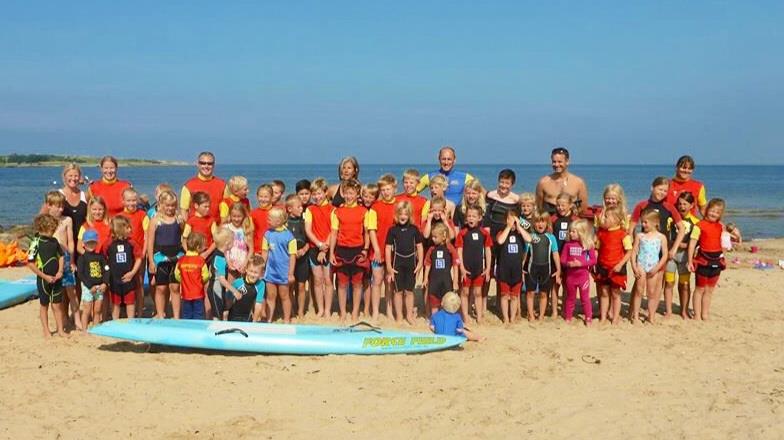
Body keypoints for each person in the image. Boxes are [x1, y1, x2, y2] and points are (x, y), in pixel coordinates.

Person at [329, 178, 372, 320]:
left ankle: (355, 312)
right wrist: (331, 253)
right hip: (341, 250)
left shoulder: (364, 211)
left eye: (352, 193)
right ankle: (342, 312)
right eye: (346, 193)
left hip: (358, 250)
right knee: (341, 283)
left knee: (357, 283)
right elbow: (334, 233)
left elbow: (366, 233)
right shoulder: (337, 212)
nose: (349, 196)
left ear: (357, 194)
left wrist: (365, 250)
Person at [44, 191, 82, 330]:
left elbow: (71, 241)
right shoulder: (46, 221)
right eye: (57, 206)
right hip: (51, 259)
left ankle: (77, 320)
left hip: (65, 258)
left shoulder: (67, 220)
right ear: (49, 205)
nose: (61, 209)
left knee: (71, 292)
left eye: (62, 206)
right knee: (55, 294)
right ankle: (62, 320)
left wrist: (71, 260)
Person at [27, 214, 66, 338]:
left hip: (57, 278)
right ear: (42, 228)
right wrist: (44, 276)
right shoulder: (36, 242)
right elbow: (30, 264)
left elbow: (61, 256)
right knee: (44, 305)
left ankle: (60, 330)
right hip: (44, 280)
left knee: (57, 305)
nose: (53, 231)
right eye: (51, 229)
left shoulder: (54, 241)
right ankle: (46, 330)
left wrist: (60, 271)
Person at [385, 201, 424, 324]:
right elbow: (387, 249)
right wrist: (389, 267)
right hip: (398, 264)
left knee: (409, 291)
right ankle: (399, 316)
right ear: (397, 215)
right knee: (398, 291)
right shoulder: (392, 230)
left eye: (406, 214)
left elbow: (419, 246)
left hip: (411, 263)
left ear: (409, 215)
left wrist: (420, 263)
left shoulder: (414, 229)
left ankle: (409, 315)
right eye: (401, 214)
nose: (403, 216)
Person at [688, 198, 727, 321]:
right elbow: (692, 243)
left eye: (717, 212)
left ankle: (705, 314)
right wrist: (690, 260)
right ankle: (697, 315)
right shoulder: (699, 226)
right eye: (712, 210)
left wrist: (724, 257)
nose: (713, 214)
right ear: (706, 210)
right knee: (700, 288)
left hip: (716, 261)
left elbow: (724, 243)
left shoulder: (721, 227)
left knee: (709, 290)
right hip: (702, 260)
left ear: (720, 214)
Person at [146, 190, 183, 319]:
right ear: (161, 205)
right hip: (160, 258)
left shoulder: (179, 219)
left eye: (173, 205)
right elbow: (150, 243)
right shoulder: (155, 221)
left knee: (175, 287)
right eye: (167, 205)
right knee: (161, 288)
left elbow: (183, 238)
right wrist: (151, 261)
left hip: (176, 257)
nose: (170, 208)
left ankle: (176, 316)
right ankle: (161, 314)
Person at [594, 207, 633, 324]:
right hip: (603, 266)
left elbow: (629, 251)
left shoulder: (623, 234)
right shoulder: (601, 233)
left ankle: (615, 317)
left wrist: (620, 264)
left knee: (615, 293)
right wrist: (594, 261)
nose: (603, 219)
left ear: (616, 219)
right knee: (604, 293)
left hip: (616, 268)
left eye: (606, 217)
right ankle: (603, 317)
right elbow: (597, 249)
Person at [664, 192, 699, 319]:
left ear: (691, 205)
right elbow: (665, 236)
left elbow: (696, 241)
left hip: (685, 257)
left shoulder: (696, 222)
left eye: (685, 204)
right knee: (669, 282)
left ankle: (684, 310)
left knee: (684, 284)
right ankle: (668, 311)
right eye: (679, 204)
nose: (682, 206)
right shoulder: (670, 219)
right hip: (671, 256)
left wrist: (686, 246)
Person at [630, 210, 669, 324]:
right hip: (641, 266)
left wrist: (657, 268)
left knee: (651, 293)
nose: (643, 225)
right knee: (639, 291)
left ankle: (651, 316)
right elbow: (634, 252)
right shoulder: (640, 236)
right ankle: (636, 316)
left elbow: (665, 254)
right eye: (642, 222)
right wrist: (634, 266)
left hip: (654, 267)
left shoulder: (661, 237)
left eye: (646, 222)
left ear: (655, 223)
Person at [455, 205, 492, 324]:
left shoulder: (484, 233)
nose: (471, 218)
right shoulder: (462, 233)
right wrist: (462, 268)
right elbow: (459, 251)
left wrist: (488, 268)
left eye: (474, 216)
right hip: (466, 269)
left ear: (480, 218)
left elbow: (487, 250)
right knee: (465, 292)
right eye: (469, 216)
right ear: (465, 218)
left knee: (478, 292)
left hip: (479, 269)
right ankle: (465, 315)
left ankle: (479, 316)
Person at [495, 208, 532, 324]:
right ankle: (506, 318)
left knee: (515, 296)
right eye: (508, 220)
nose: (512, 223)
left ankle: (512, 317)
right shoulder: (501, 232)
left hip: (516, 269)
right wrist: (508, 227)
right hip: (504, 269)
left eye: (513, 220)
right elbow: (500, 241)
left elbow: (529, 239)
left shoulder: (520, 234)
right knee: (505, 295)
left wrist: (519, 226)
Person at [303, 178, 334, 318]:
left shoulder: (333, 210)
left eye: (319, 193)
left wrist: (325, 248)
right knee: (317, 280)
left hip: (329, 247)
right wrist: (319, 245)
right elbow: (308, 231)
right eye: (314, 194)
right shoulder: (310, 209)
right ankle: (320, 309)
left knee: (328, 280)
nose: (316, 197)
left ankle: (328, 309)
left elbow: (334, 231)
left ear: (326, 192)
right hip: (315, 246)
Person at [370, 174, 398, 320]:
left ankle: (389, 310)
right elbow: (372, 230)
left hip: (394, 251)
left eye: (388, 189)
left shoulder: (399, 204)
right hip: (378, 250)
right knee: (377, 280)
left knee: (390, 281)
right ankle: (375, 311)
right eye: (383, 190)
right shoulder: (375, 207)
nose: (386, 192)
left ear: (394, 188)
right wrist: (376, 250)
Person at [523, 211, 560, 321]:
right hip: (531, 268)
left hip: (546, 269)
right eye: (537, 222)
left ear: (547, 223)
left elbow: (555, 254)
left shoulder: (551, 237)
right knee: (530, 293)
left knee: (544, 294)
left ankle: (542, 315)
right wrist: (521, 268)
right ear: (534, 223)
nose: (540, 224)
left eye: (543, 222)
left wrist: (558, 270)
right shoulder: (530, 237)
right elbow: (525, 254)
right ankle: (531, 315)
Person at [261, 208, 296, 323]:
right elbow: (265, 252)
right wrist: (261, 268)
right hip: (271, 271)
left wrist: (290, 273)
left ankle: (286, 319)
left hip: (284, 272)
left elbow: (292, 256)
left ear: (278, 221)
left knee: (284, 296)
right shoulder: (267, 234)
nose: (267, 220)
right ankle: (269, 319)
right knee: (270, 296)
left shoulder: (289, 236)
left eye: (270, 219)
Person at [119, 187, 149, 317]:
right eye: (129, 201)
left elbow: (147, 235)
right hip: (124, 255)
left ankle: (140, 311)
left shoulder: (142, 215)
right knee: (124, 282)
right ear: (123, 201)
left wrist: (143, 252)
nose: (132, 203)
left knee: (139, 282)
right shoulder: (120, 217)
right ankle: (124, 310)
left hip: (139, 255)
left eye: (134, 200)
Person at [560, 219, 597, 325]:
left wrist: (580, 264)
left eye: (573, 231)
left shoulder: (588, 245)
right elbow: (562, 259)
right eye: (570, 231)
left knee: (585, 298)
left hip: (583, 277)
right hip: (571, 277)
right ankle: (568, 317)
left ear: (581, 232)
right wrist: (569, 264)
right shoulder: (567, 245)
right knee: (570, 298)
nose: (570, 233)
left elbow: (593, 260)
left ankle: (588, 318)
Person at [107, 216, 143, 320]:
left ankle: (131, 321)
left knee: (130, 301)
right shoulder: (109, 243)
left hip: (129, 278)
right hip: (114, 279)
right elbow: (103, 257)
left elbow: (139, 258)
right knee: (115, 301)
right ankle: (115, 321)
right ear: (119, 228)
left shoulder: (131, 243)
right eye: (128, 227)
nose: (130, 230)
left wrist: (132, 273)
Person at [535, 147, 589, 216]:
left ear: (567, 162)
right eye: (554, 162)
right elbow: (539, 207)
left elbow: (583, 209)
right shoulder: (543, 183)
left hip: (571, 223)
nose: (556, 165)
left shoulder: (578, 182)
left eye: (560, 162)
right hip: (550, 223)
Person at [423, 223, 459, 316]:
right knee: (434, 303)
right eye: (432, 237)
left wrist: (455, 282)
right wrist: (425, 278)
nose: (433, 239)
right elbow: (427, 264)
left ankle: (445, 321)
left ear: (443, 237)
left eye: (435, 237)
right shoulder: (431, 249)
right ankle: (434, 320)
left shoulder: (450, 248)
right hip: (434, 281)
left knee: (447, 302)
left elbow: (456, 265)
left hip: (446, 281)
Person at [77, 229, 109, 329]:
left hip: (99, 286)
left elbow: (106, 270)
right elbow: (80, 274)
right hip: (88, 287)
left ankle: (96, 327)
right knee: (87, 309)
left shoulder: (101, 257)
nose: (90, 245)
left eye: (93, 243)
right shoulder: (82, 258)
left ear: (96, 243)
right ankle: (84, 329)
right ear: (83, 244)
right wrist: (90, 286)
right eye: (88, 243)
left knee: (98, 309)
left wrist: (105, 283)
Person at [285, 195, 311, 319]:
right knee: (290, 286)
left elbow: (308, 239)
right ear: (289, 209)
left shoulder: (303, 221)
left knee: (301, 285)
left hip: (302, 257)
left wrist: (304, 249)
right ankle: (290, 310)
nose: (302, 209)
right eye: (299, 207)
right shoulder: (285, 223)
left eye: (302, 206)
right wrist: (292, 253)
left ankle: (300, 311)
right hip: (289, 258)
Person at [180, 151, 226, 220]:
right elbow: (184, 211)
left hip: (217, 228)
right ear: (198, 164)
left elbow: (226, 210)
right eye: (203, 163)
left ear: (214, 165)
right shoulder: (188, 186)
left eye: (209, 163)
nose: (206, 166)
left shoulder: (223, 185)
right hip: (195, 229)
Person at [175, 232, 210, 320]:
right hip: (198, 294)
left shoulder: (181, 260)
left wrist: (183, 280)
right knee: (198, 315)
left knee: (186, 315)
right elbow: (205, 276)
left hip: (185, 294)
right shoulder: (201, 261)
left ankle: (187, 332)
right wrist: (201, 281)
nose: (204, 248)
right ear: (198, 247)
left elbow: (177, 275)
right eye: (203, 246)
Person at [207, 227, 240, 320]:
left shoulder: (219, 254)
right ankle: (215, 332)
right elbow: (221, 279)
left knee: (225, 312)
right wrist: (234, 291)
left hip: (219, 289)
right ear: (227, 243)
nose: (234, 242)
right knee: (217, 316)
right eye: (233, 240)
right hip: (215, 289)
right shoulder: (219, 258)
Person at [224, 255, 266, 322]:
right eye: (251, 271)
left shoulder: (261, 284)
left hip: (247, 318)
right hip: (232, 317)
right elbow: (227, 303)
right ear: (246, 269)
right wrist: (225, 319)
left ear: (261, 274)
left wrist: (254, 322)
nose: (252, 275)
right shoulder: (237, 283)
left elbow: (258, 305)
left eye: (256, 272)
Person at [182, 191, 218, 261]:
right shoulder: (191, 221)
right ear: (196, 206)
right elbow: (184, 240)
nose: (208, 209)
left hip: (208, 253)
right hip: (193, 253)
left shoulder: (211, 220)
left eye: (208, 206)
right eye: (205, 206)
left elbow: (216, 240)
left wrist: (207, 253)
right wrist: (189, 253)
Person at [225, 203, 253, 282]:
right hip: (230, 263)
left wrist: (245, 263)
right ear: (230, 215)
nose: (236, 219)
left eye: (239, 216)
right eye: (234, 216)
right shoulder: (226, 228)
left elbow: (251, 249)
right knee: (230, 287)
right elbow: (223, 248)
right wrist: (228, 262)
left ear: (243, 216)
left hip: (243, 263)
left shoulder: (246, 229)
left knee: (242, 288)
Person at [250, 184, 274, 255]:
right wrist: (252, 251)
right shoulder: (253, 214)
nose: (263, 199)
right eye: (261, 196)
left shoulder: (276, 212)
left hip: (273, 249)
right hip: (258, 250)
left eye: (266, 197)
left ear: (272, 197)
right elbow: (250, 234)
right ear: (257, 197)